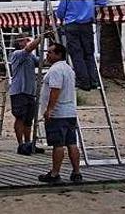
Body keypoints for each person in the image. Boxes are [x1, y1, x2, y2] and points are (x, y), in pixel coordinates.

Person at [54, 0, 106, 91]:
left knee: (77, 54)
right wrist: (91, 5)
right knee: (88, 53)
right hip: (87, 26)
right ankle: (93, 81)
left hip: (72, 26)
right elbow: (105, 0)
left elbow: (60, 13)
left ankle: (83, 82)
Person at [39, 42, 82, 183]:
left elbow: (55, 90)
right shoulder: (69, 69)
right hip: (70, 111)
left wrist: (49, 109)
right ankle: (76, 172)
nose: (47, 55)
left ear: (59, 54)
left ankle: (55, 173)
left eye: (50, 52)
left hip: (58, 113)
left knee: (58, 144)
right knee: (72, 143)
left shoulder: (56, 70)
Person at [9, 31, 44, 155]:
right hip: (19, 91)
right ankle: (21, 144)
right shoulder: (17, 54)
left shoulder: (30, 56)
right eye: (26, 40)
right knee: (20, 117)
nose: (28, 42)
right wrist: (41, 38)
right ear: (20, 42)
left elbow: (41, 62)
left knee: (29, 119)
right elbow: (29, 48)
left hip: (29, 92)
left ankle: (28, 143)